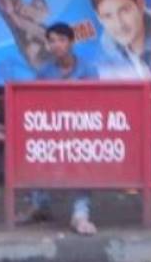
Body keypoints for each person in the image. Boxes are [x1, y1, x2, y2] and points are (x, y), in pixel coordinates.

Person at [18, 22, 97, 234]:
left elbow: (96, 102)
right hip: (52, 130)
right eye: (52, 41)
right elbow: (36, 104)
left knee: (82, 156)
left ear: (71, 42)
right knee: (33, 148)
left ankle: (80, 214)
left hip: (80, 130)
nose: (57, 45)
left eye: (61, 40)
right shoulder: (44, 72)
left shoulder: (88, 69)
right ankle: (40, 205)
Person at [90, 0, 151, 79]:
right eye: (108, 16)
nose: (119, 25)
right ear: (99, 18)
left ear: (140, 3)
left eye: (124, 10)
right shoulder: (105, 49)